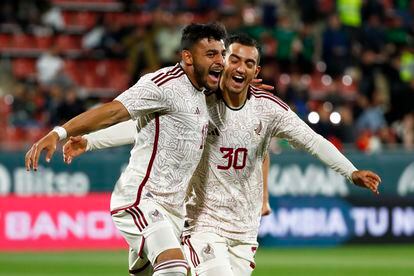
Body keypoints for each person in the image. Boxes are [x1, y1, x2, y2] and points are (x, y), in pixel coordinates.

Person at [62, 34, 381, 276]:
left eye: (249, 63)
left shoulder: (269, 111)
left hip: (244, 232)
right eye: (234, 60)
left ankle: (147, 261)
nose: (241, 67)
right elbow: (141, 127)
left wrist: (350, 170)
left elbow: (313, 141)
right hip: (201, 225)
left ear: (257, 70)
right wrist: (91, 141)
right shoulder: (198, 102)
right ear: (222, 63)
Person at [25, 22, 227, 276]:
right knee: (175, 267)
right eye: (211, 54)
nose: (220, 61)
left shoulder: (202, 94)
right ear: (187, 57)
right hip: (141, 199)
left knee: (166, 270)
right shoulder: (163, 84)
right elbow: (114, 112)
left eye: (221, 54)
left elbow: (137, 128)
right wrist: (61, 132)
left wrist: (90, 141)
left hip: (174, 210)